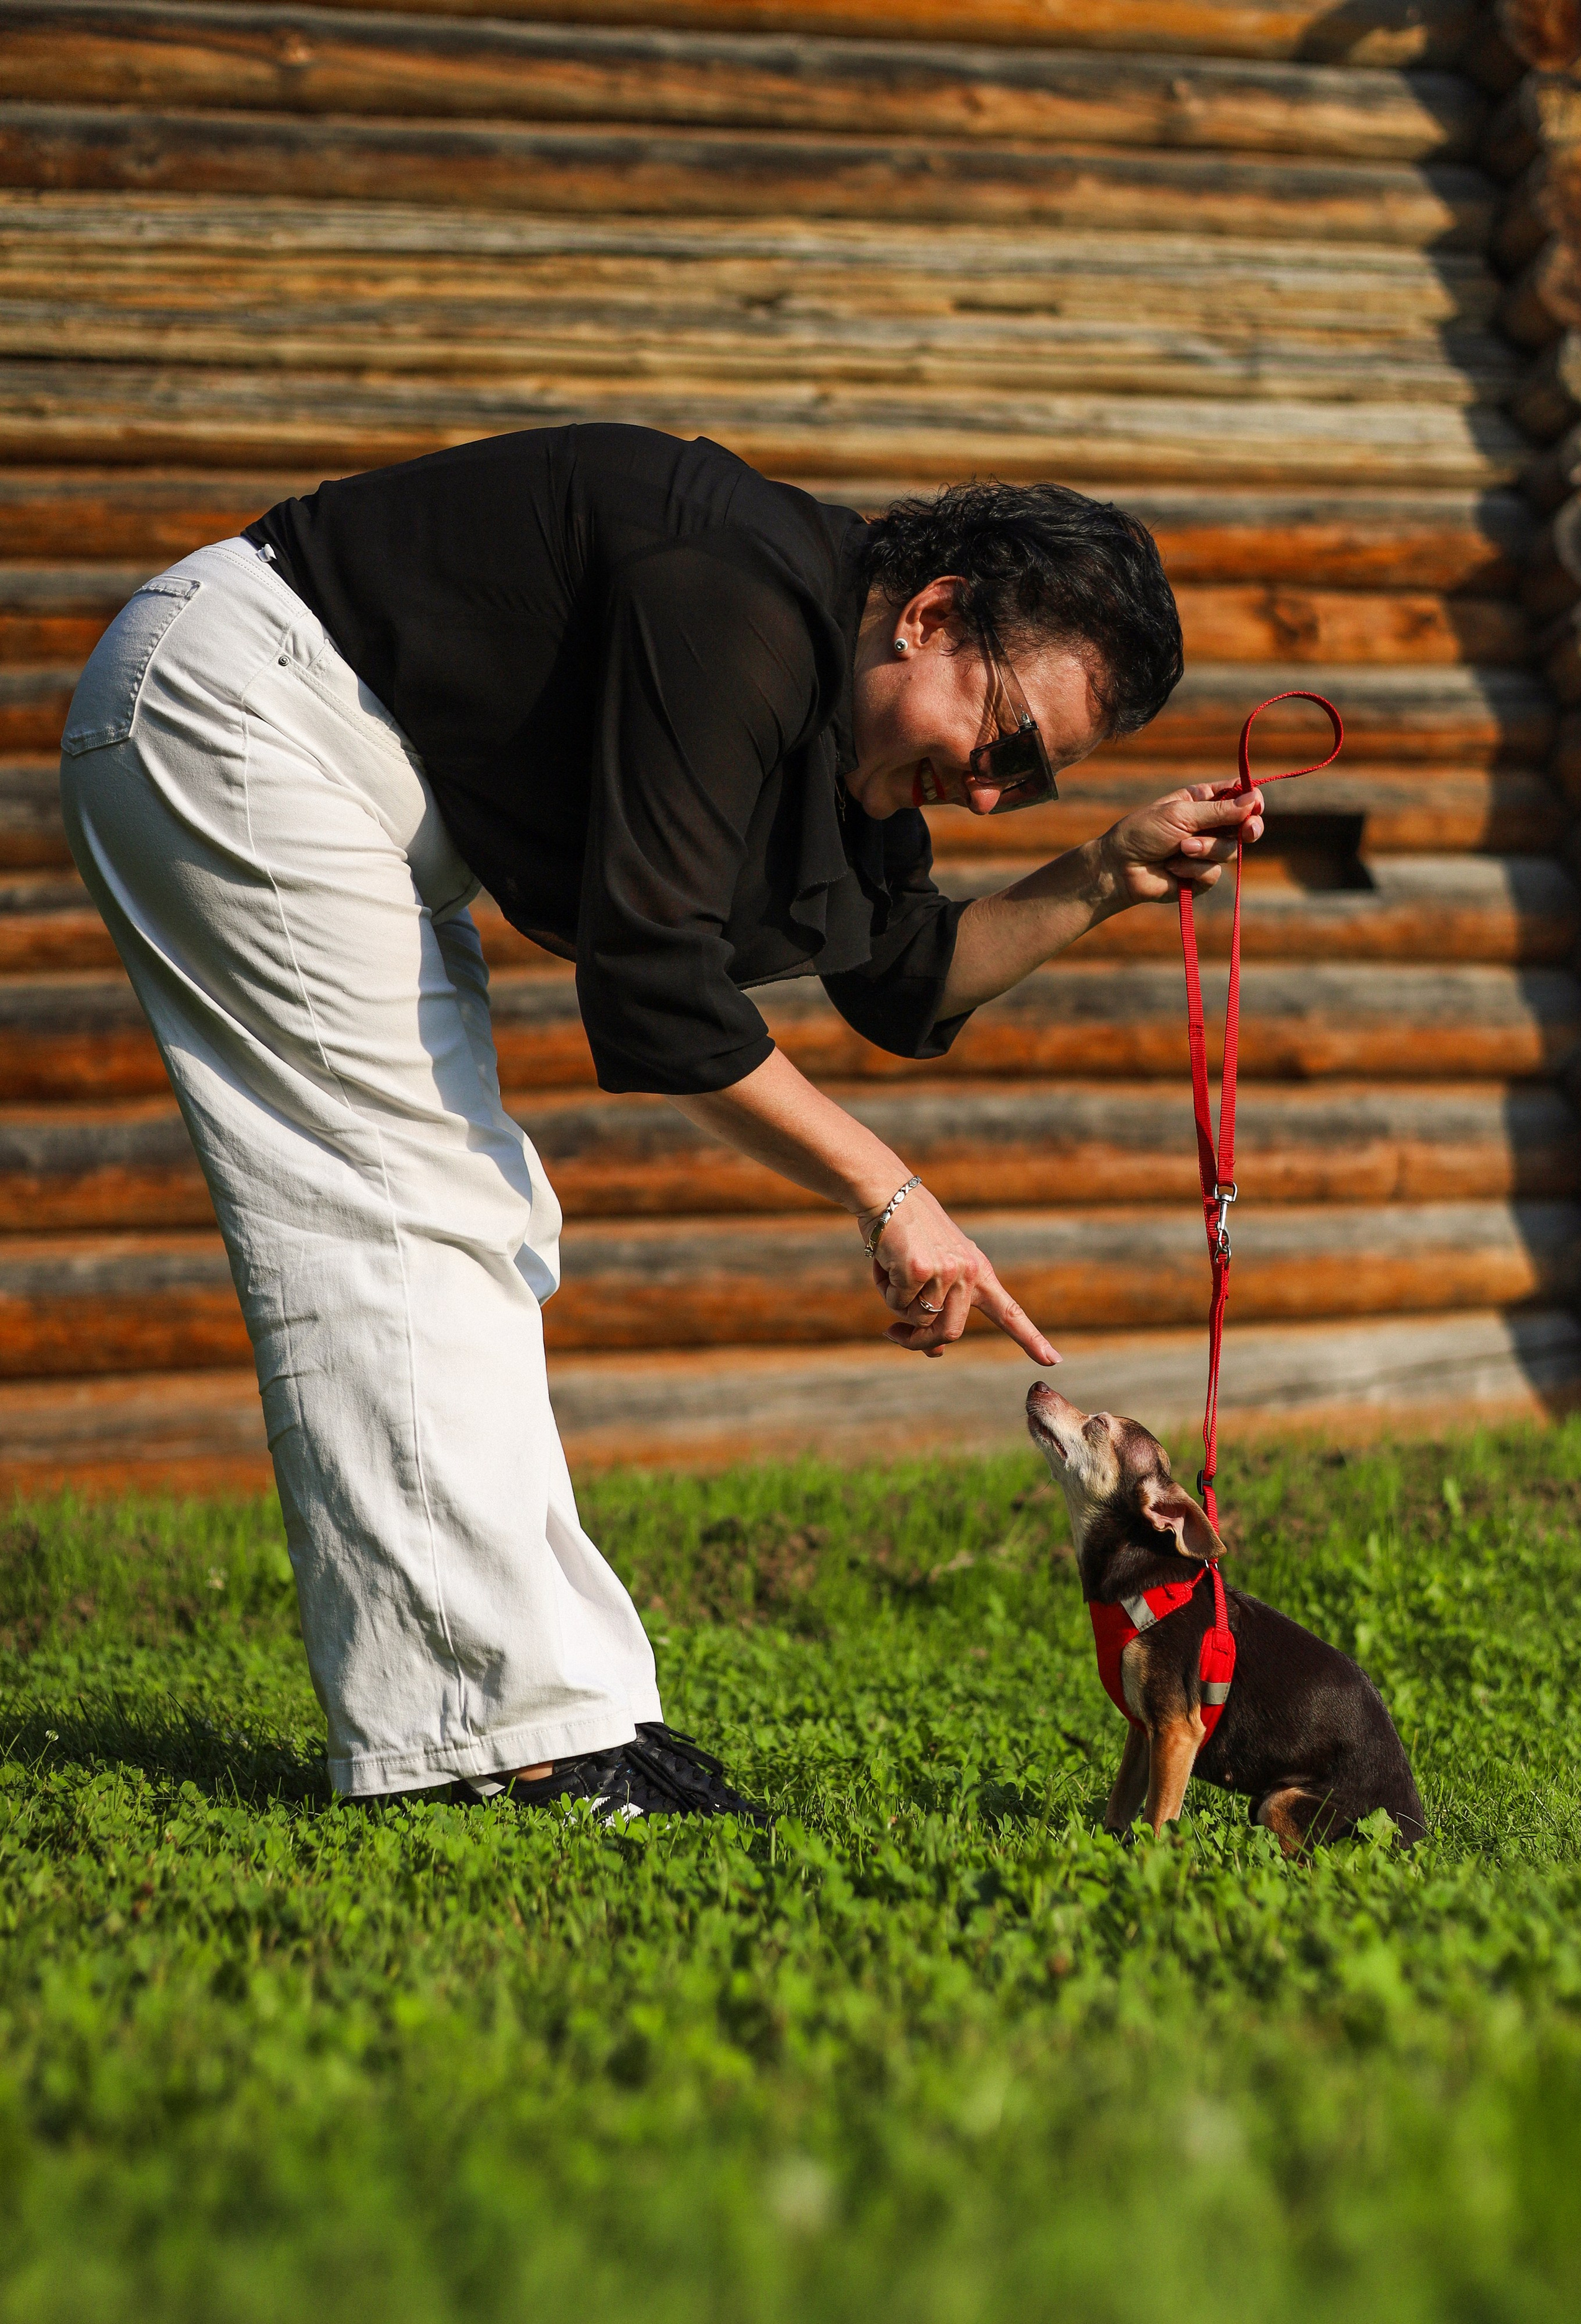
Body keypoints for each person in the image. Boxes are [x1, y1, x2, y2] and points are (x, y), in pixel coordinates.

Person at [58, 425, 1262, 1820]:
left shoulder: (836, 712)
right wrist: (888, 1192)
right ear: (931, 618)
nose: (993, 793)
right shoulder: (735, 603)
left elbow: (903, 973)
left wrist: (1107, 871)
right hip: (245, 714)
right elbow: (652, 993)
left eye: (1032, 783)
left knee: (483, 1219)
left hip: (342, 774)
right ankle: (498, 1743)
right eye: (1005, 742)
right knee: (400, 1207)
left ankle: (565, 1716)